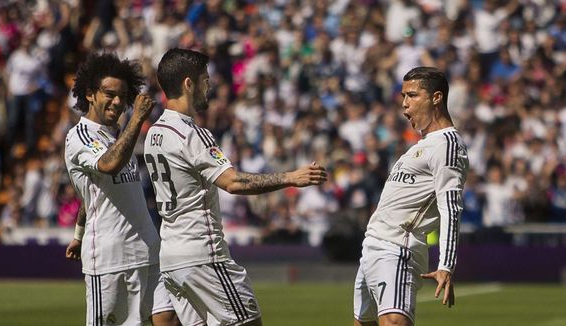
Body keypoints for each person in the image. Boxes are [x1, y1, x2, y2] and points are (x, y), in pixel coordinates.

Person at [144, 48, 328, 326]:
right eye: (205, 79)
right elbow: (232, 182)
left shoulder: (154, 133)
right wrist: (291, 177)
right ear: (188, 84)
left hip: (172, 257)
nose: (210, 86)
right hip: (202, 253)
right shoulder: (191, 133)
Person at [63, 52, 201, 326]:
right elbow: (108, 165)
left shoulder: (114, 135)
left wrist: (78, 235)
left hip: (148, 250)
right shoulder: (79, 136)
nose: (117, 102)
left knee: (170, 319)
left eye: (122, 96)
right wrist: (136, 119)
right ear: (90, 94)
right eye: (109, 94)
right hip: (111, 260)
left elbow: (91, 194)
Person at [353, 67, 469, 326]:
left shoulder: (447, 145)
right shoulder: (422, 145)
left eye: (412, 96)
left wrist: (446, 265)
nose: (405, 105)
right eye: (403, 97)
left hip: (397, 247)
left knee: (394, 321)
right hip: (372, 246)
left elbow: (450, 207)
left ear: (436, 98)